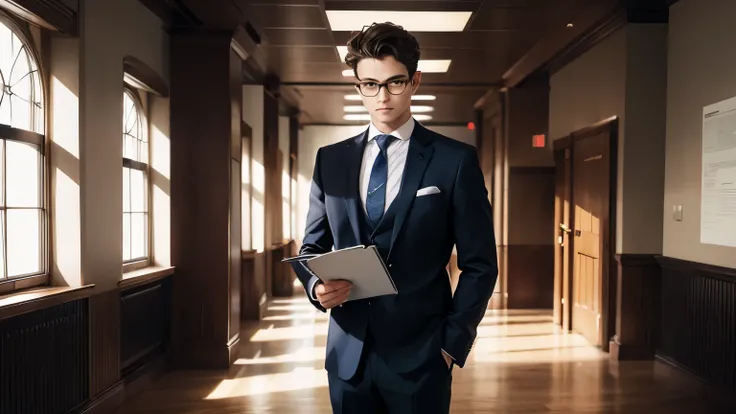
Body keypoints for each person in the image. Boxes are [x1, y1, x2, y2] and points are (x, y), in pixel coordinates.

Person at [293, 21, 498, 414]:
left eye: (394, 83)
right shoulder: (330, 160)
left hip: (423, 356)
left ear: (415, 81)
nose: (382, 96)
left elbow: (480, 264)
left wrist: (451, 344)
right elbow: (311, 248)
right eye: (370, 84)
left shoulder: (454, 161)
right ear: (358, 87)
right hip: (347, 357)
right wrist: (316, 285)